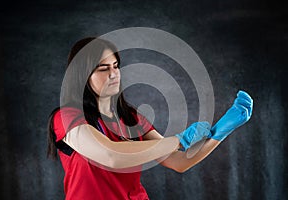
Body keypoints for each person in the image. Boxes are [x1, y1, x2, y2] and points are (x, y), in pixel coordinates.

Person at [47, 37, 253, 200]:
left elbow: (178, 161)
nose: (114, 74)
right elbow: (110, 155)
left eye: (116, 66)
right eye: (103, 68)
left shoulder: (131, 118)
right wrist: (179, 140)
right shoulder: (66, 117)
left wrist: (223, 129)